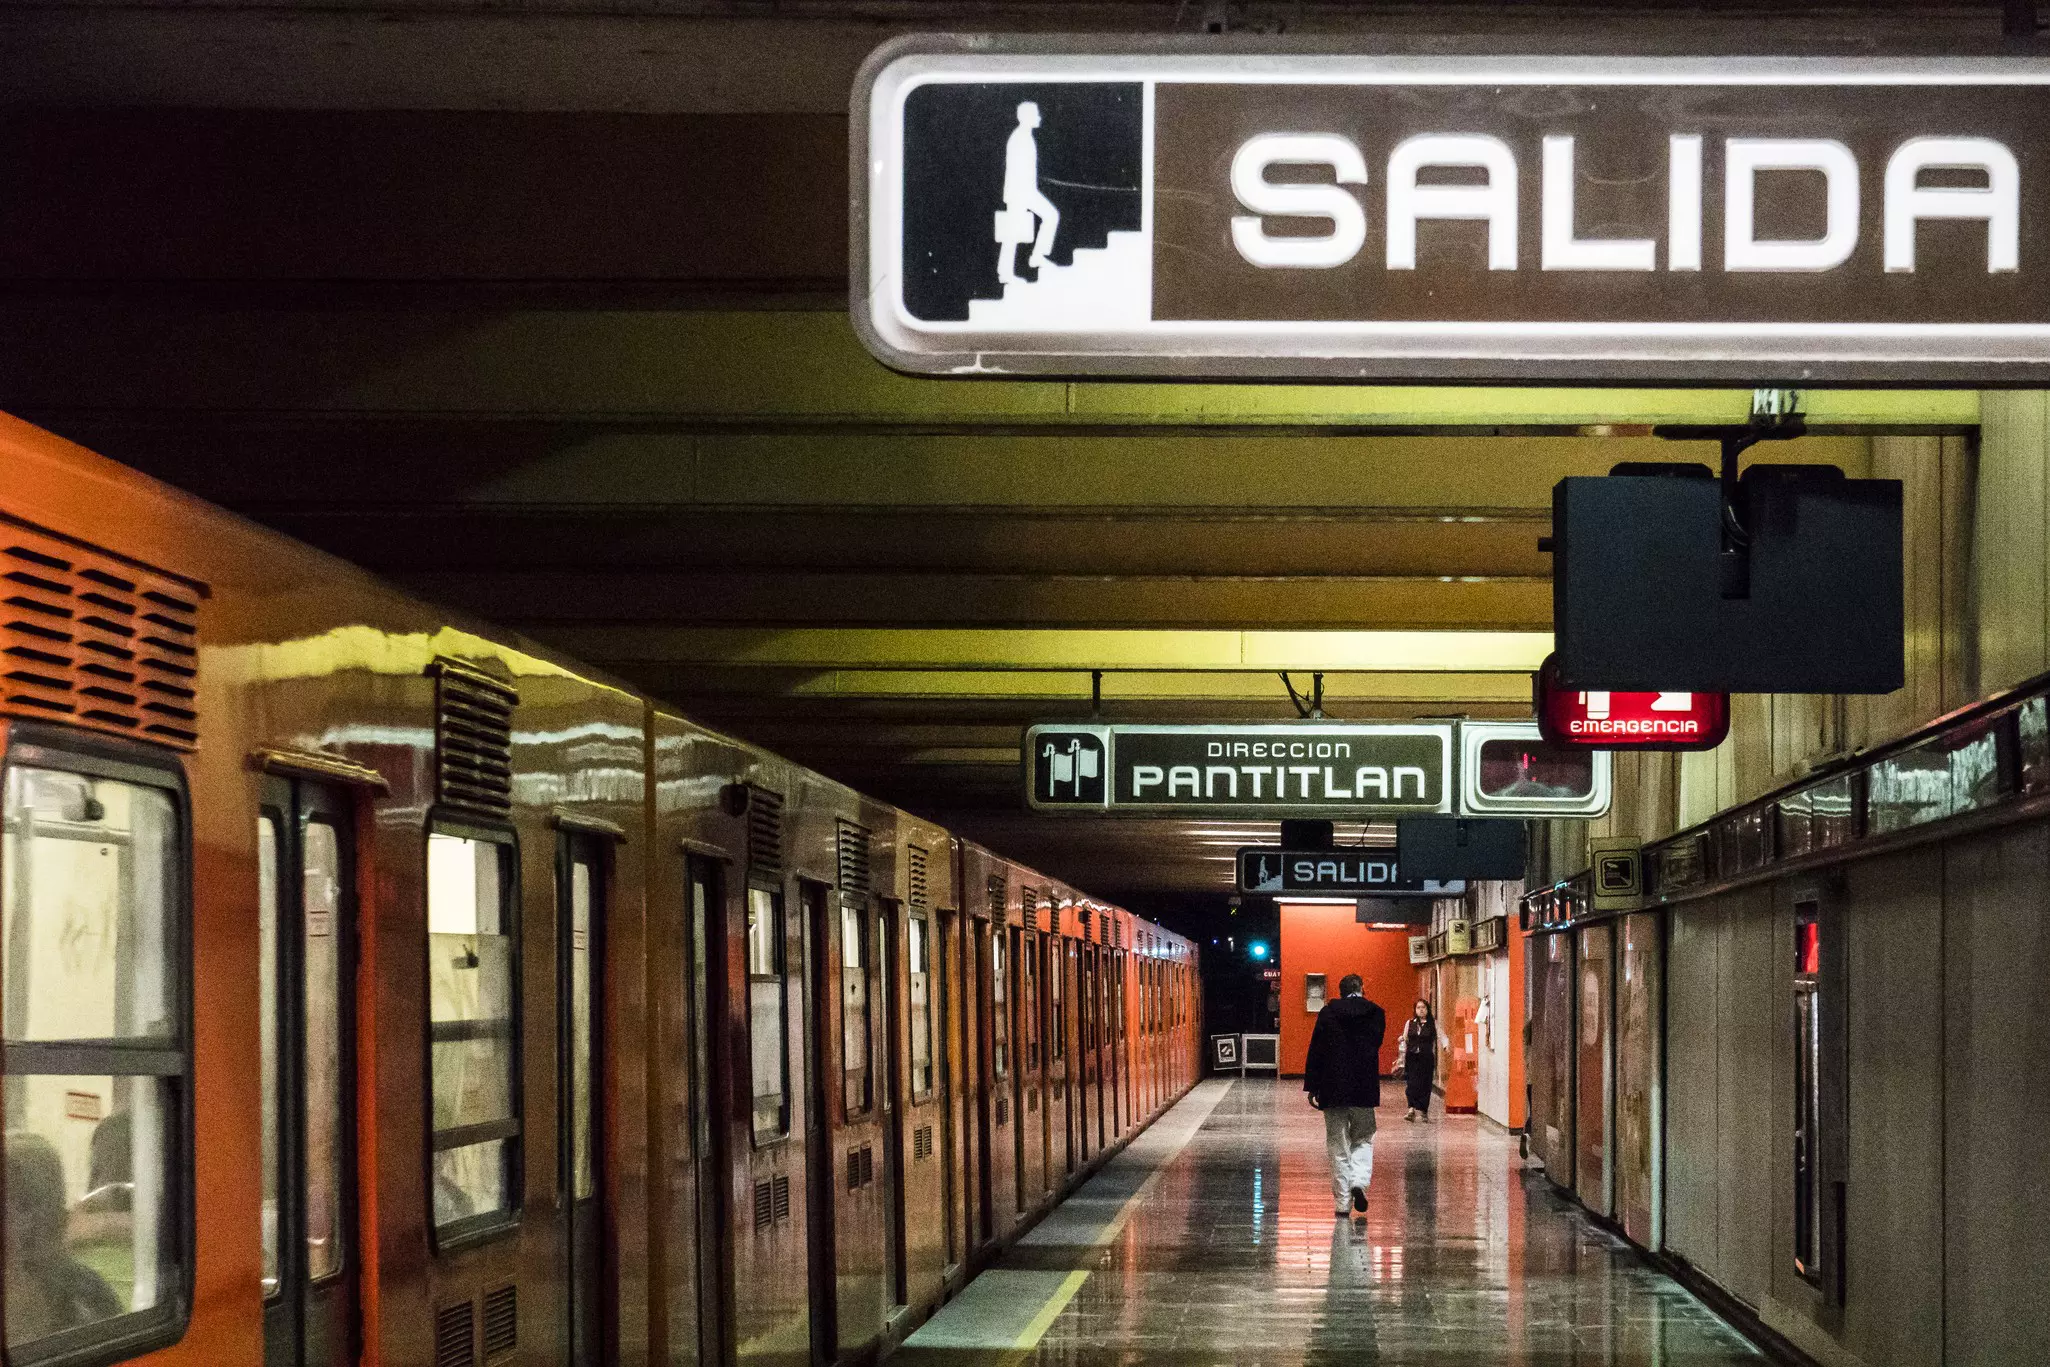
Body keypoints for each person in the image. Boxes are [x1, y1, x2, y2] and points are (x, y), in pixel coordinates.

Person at [1303, 973, 1386, 1218]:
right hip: (1363, 1087)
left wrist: (1312, 1087)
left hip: (1333, 1088)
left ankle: (1342, 1202)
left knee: (1338, 1145)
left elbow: (1316, 1050)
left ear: (1339, 991)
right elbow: (1375, 1044)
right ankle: (1359, 1182)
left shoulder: (1328, 1013)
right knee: (1363, 1139)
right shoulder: (1376, 1013)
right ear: (1362, 987)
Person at [995, 101, 1061, 284]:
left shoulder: (1025, 137)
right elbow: (1015, 169)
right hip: (1019, 192)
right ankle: (1006, 272)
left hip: (1026, 191)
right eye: (1036, 115)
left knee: (1050, 216)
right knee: (1013, 232)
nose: (1039, 117)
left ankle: (1036, 257)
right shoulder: (1019, 138)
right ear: (1026, 117)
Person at [1399, 998, 1439, 1122]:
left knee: (1425, 1084)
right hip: (1412, 1057)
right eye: (1418, 1008)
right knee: (1411, 1083)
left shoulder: (1433, 1024)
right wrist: (1401, 1039)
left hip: (1426, 1058)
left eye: (1423, 1007)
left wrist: (1446, 1045)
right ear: (1415, 1010)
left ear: (1427, 1009)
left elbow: (1441, 1036)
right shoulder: (1410, 1023)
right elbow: (1405, 1037)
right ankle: (1411, 1109)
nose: (1421, 1010)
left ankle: (1423, 1110)